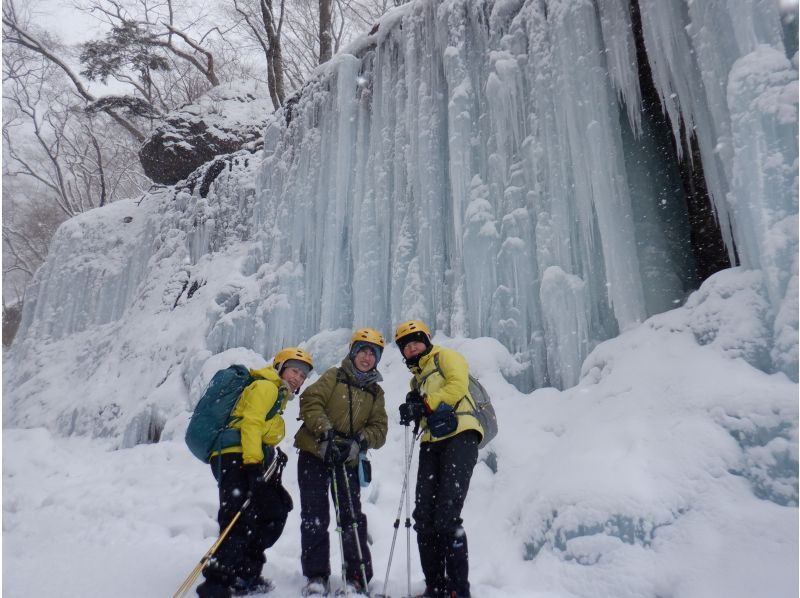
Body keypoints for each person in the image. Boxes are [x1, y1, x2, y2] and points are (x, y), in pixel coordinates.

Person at [197, 347, 314, 598]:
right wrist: (252, 465)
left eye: (303, 376)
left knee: (274, 511)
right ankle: (216, 583)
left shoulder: (276, 394)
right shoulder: (266, 387)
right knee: (237, 518)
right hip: (237, 456)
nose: (297, 378)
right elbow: (251, 423)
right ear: (280, 367)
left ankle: (245, 572)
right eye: (294, 370)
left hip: (245, 456)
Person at [294, 328, 389, 596]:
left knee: (352, 518)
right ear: (353, 353)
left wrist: (358, 442)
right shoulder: (333, 377)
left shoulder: (375, 393)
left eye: (373, 353)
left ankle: (356, 577)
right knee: (314, 515)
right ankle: (316, 575)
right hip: (315, 453)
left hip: (346, 458)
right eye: (363, 351)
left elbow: (380, 429)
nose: (367, 358)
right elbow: (310, 401)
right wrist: (325, 432)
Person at [394, 320, 483, 598]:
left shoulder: (446, 356)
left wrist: (425, 403)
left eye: (416, 341)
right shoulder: (416, 380)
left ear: (427, 340)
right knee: (424, 517)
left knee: (446, 516)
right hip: (432, 442)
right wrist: (413, 409)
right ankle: (435, 585)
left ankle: (458, 589)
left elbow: (458, 385)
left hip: (460, 435)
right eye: (406, 346)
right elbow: (425, 412)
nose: (412, 347)